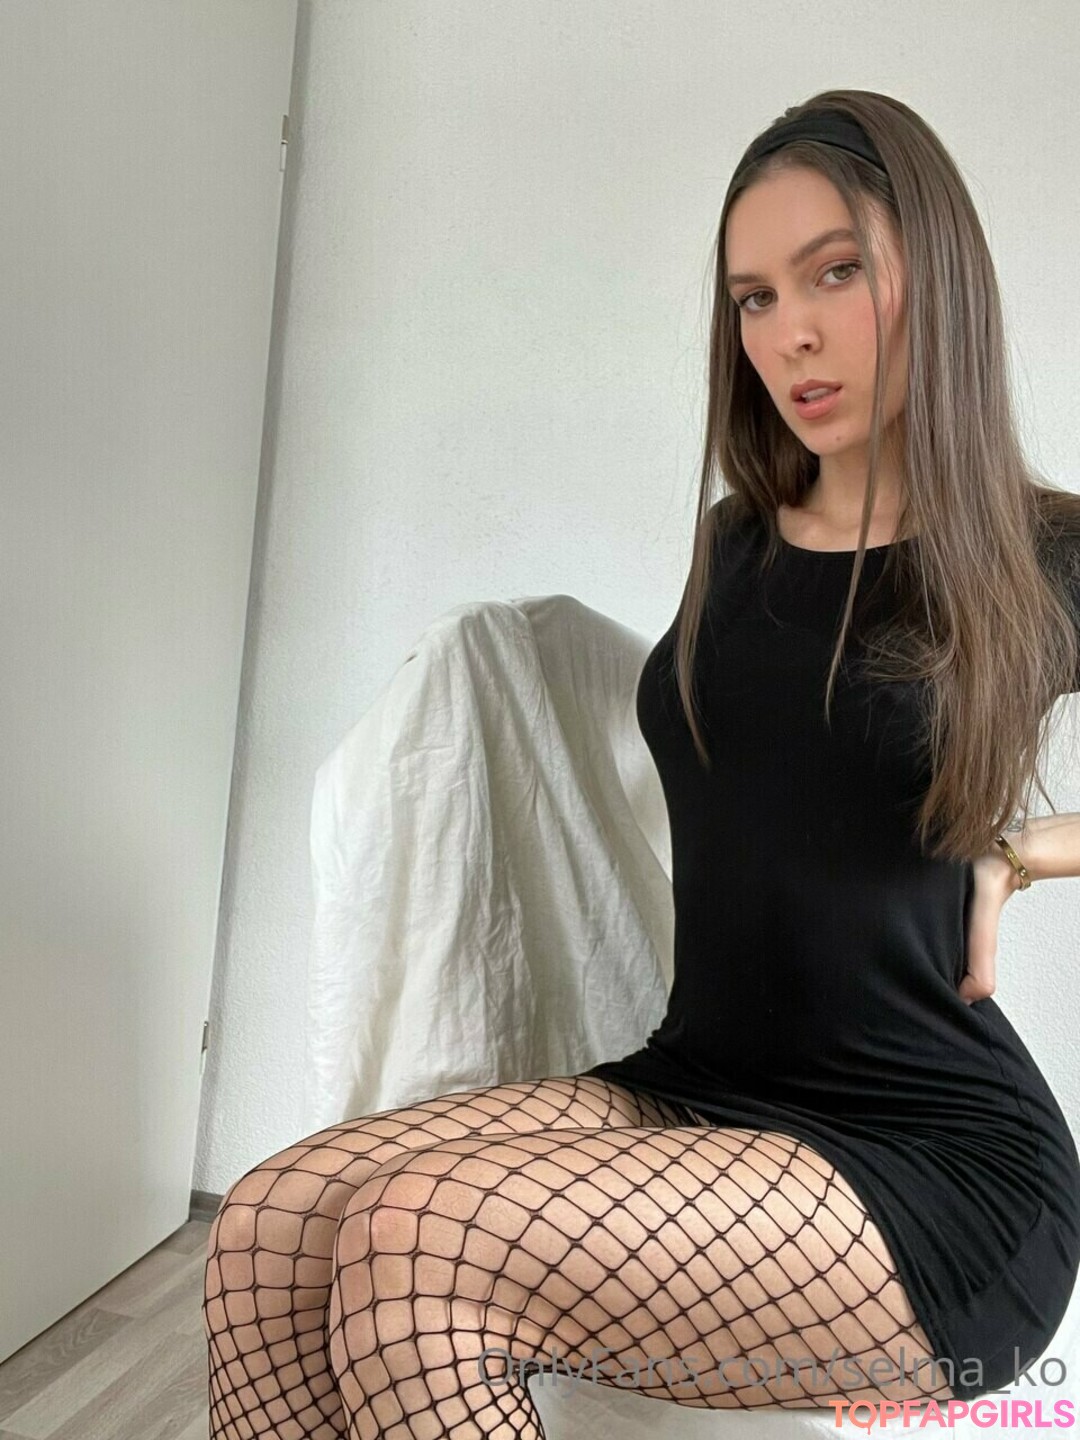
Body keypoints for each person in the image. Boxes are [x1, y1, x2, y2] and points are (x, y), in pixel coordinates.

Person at [203, 89, 1080, 1438]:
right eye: (753, 297)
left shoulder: (1042, 554)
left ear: (938, 276)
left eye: (835, 273)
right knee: (268, 1226)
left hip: (931, 1163)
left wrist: (1025, 849)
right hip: (699, 1083)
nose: (789, 333)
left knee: (421, 1243)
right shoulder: (738, 541)